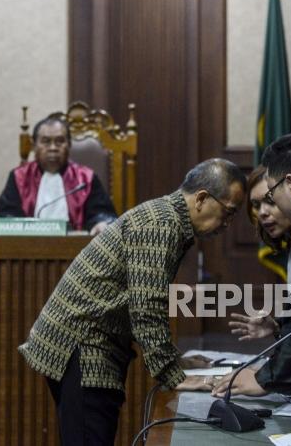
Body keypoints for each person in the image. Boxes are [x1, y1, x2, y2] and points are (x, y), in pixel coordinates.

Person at [18, 158, 247, 445]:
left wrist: (173, 359)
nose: (227, 224)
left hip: (89, 342)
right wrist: (173, 375)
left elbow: (145, 297)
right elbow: (146, 307)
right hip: (83, 345)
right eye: (228, 213)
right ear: (202, 198)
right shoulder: (161, 224)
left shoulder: (167, 218)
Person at [213, 137, 291, 399]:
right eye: (255, 205)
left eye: (270, 201)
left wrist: (267, 379)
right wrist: (277, 329)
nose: (262, 212)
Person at [0, 116, 117, 235]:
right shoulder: (19, 177)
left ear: (69, 145)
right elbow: (5, 217)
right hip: (28, 251)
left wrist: (100, 223)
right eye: (46, 142)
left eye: (59, 142)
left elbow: (102, 214)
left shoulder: (85, 178)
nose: (53, 148)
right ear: (34, 146)